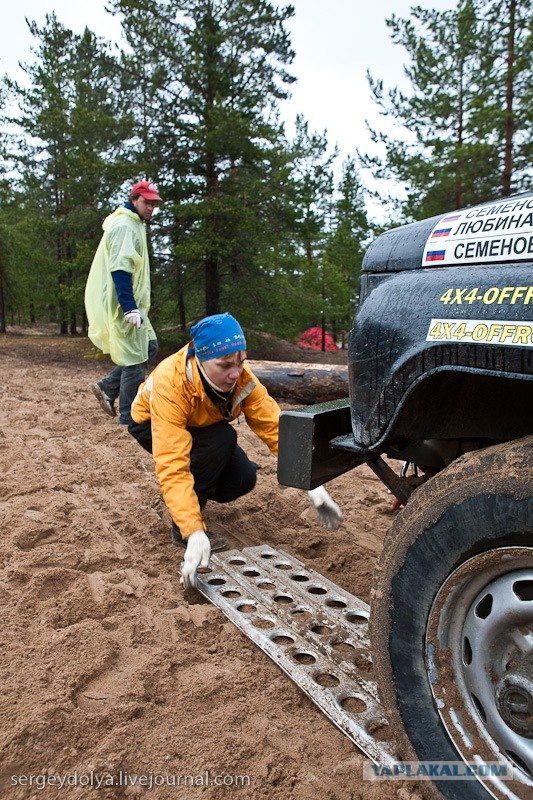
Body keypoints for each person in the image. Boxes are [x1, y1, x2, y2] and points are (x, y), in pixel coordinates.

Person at [128, 312, 342, 589]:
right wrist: (192, 531)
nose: (235, 373)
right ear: (199, 359)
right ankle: (182, 522)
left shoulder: (242, 378)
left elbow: (275, 427)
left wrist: (313, 484)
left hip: (204, 426)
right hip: (149, 423)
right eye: (225, 364)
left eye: (241, 362)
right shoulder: (172, 384)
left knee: (243, 478)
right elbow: (172, 464)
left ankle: (188, 496)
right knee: (221, 439)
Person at [84, 180, 162, 426]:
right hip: (123, 304)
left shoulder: (135, 222)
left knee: (148, 347)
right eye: (146, 202)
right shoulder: (125, 226)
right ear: (135, 199)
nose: (150, 207)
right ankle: (130, 418)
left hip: (133, 304)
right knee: (135, 360)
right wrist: (129, 308)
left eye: (153, 203)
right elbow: (120, 269)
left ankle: (107, 386)